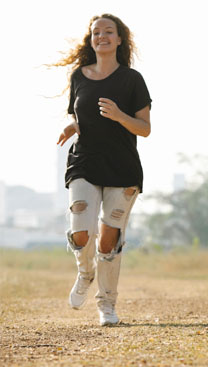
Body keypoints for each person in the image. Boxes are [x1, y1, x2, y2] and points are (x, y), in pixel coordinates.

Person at [55, 14, 151, 326]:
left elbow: (145, 128)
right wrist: (73, 125)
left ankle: (107, 305)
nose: (102, 37)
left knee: (108, 240)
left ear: (120, 39)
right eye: (96, 32)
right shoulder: (78, 77)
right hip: (84, 161)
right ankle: (85, 273)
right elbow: (83, 115)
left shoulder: (132, 80)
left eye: (109, 32)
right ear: (91, 39)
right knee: (81, 230)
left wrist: (121, 116)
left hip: (122, 167)